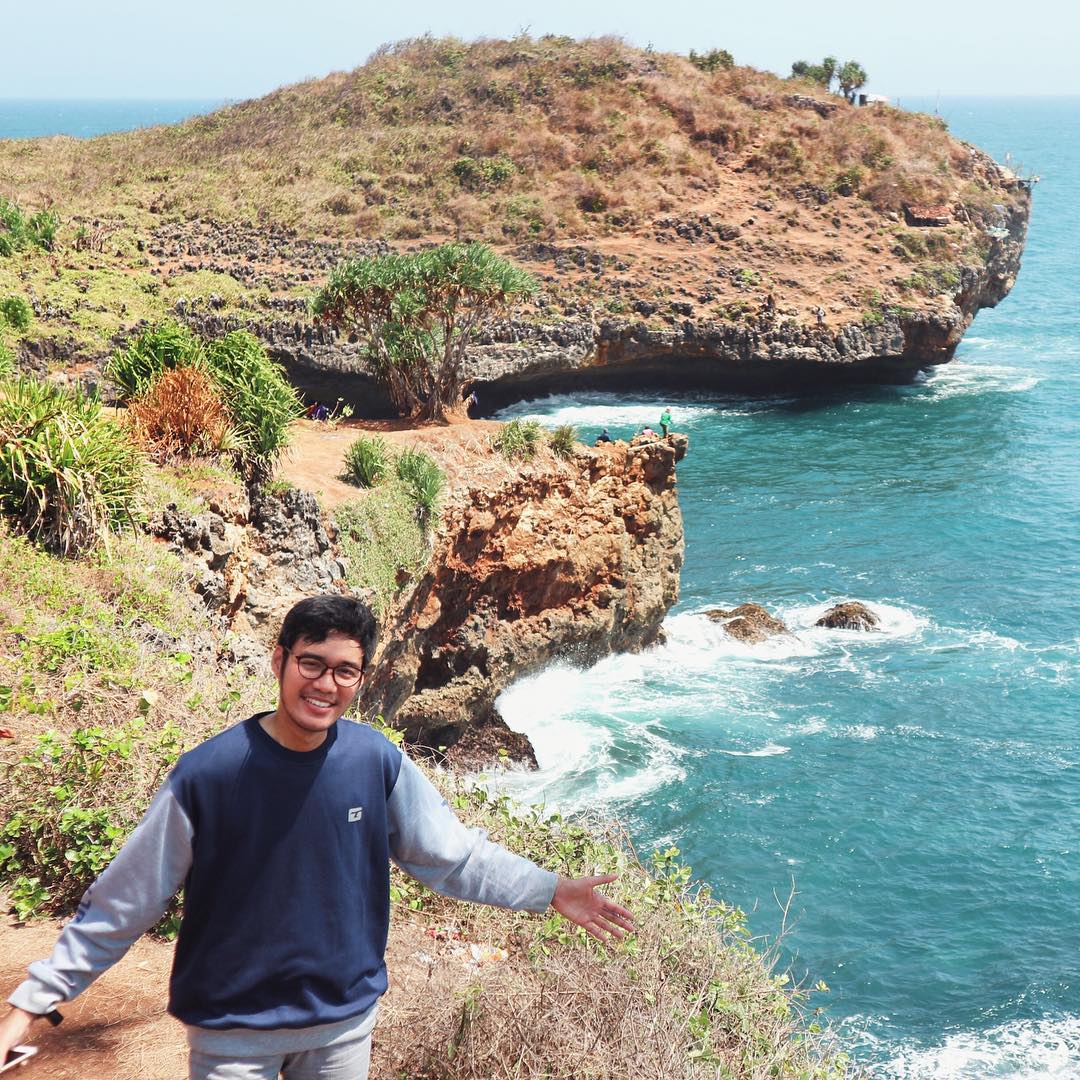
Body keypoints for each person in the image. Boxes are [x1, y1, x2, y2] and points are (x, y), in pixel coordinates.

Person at [0, 595, 634, 1080]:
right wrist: (32, 1004)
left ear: (362, 679)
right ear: (279, 660)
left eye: (345, 671)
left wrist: (550, 889)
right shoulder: (209, 774)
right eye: (311, 663)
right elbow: (123, 902)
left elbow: (452, 857)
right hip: (231, 1034)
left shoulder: (375, 762)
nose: (325, 685)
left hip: (342, 1029)